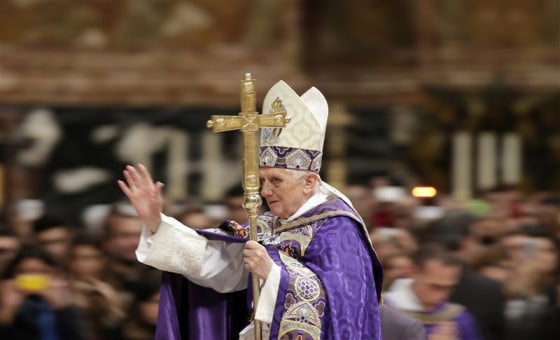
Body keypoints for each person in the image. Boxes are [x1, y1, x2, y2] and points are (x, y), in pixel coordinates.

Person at [118, 80, 384, 339]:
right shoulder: (270, 224)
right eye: (263, 180)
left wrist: (273, 272)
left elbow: (344, 314)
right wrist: (156, 222)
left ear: (309, 182)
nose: (265, 191)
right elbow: (215, 261)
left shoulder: (338, 229)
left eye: (276, 180)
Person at [384, 243, 481, 340]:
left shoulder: (459, 317)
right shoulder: (379, 311)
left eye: (449, 287)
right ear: (412, 272)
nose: (443, 296)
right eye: (435, 287)